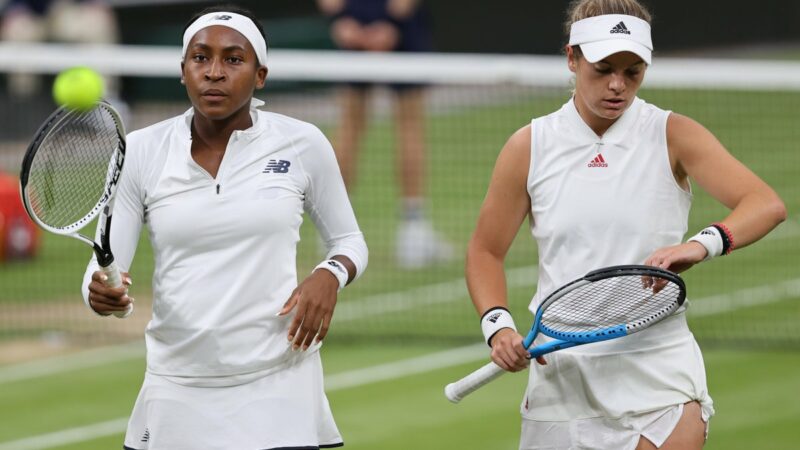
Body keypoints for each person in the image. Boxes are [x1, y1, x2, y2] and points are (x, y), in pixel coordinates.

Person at [466, 0, 786, 449]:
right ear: (572, 58)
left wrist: (699, 245)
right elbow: (485, 250)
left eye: (633, 71)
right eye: (602, 69)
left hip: (659, 368)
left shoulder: (673, 133)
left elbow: (765, 203)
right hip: (563, 378)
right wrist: (497, 324)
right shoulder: (529, 145)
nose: (617, 85)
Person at [81, 6, 367, 449]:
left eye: (233, 59)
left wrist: (330, 273)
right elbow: (102, 268)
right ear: (182, 71)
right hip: (175, 390)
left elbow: (349, 242)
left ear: (260, 75)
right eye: (201, 58)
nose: (214, 72)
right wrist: (99, 293)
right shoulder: (138, 152)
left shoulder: (303, 144)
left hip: (280, 388)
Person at [316, 0, 452, 268]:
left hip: (370, 23)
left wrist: (344, 21)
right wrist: (382, 23)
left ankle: (410, 233)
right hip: (375, 22)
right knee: (388, 123)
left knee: (359, 123)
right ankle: (408, 232)